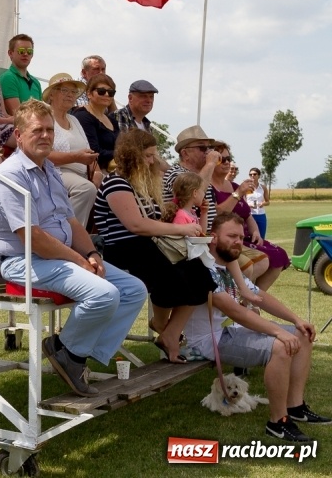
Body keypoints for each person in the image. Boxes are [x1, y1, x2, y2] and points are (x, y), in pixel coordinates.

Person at [0, 99, 147, 396]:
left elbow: (71, 222)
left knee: (133, 289)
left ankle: (73, 352)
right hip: (23, 261)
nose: (46, 135)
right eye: (38, 130)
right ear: (19, 135)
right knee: (104, 293)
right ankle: (70, 354)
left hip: (57, 257)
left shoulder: (48, 169)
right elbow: (33, 238)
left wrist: (92, 254)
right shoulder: (11, 175)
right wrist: (79, 260)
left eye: (49, 130)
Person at [183, 212, 330, 443]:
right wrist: (277, 331)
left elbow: (258, 296)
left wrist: (295, 320)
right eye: (231, 236)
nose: (238, 242)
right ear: (213, 238)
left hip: (224, 333)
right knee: (280, 347)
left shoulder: (227, 269)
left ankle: (296, 407)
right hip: (204, 342)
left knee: (302, 334)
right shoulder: (203, 269)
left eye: (241, 237)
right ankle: (278, 423)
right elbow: (236, 312)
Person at [94, 130, 215, 363]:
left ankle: (168, 333)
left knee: (201, 275)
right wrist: (182, 229)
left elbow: (154, 224)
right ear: (133, 156)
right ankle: (162, 325)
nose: (152, 162)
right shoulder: (115, 183)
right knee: (172, 274)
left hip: (145, 247)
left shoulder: (141, 185)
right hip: (123, 251)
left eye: (153, 156)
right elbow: (136, 225)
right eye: (147, 156)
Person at [163, 126, 269, 282]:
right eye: (202, 148)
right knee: (246, 266)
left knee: (264, 260)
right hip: (189, 247)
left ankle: (240, 301)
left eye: (209, 148)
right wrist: (211, 164)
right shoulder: (177, 174)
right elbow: (196, 192)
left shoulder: (202, 174)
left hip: (208, 240)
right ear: (185, 153)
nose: (208, 152)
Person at [161, 171, 261, 306]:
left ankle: (238, 294)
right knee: (225, 260)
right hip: (190, 259)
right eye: (203, 191)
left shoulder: (190, 212)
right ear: (195, 193)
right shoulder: (181, 215)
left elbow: (201, 232)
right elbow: (183, 241)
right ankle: (237, 295)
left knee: (228, 259)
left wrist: (204, 213)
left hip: (197, 254)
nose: (204, 195)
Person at [210, 142, 288, 291]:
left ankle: (255, 299)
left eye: (229, 158)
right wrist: (238, 193)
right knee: (259, 262)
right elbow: (217, 213)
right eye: (222, 159)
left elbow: (247, 214)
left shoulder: (232, 186)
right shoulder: (210, 187)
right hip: (227, 238)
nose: (227, 162)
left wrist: (256, 231)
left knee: (279, 255)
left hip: (245, 236)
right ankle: (242, 300)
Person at [41, 72, 100, 227]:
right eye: (64, 91)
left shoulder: (74, 119)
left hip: (82, 172)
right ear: (51, 95)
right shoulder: (45, 118)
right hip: (54, 171)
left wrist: (98, 173)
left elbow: (88, 150)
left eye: (73, 92)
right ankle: (67, 234)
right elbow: (43, 155)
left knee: (112, 187)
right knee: (85, 189)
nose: (70, 95)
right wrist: (75, 157)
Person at [111, 79, 169, 172]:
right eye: (143, 96)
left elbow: (154, 156)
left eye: (151, 97)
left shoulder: (147, 125)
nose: (149, 100)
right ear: (130, 98)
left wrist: (172, 172)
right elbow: (126, 152)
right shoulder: (120, 116)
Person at [71, 74, 120, 172]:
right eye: (101, 91)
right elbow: (94, 151)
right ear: (89, 94)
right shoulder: (83, 116)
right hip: (94, 170)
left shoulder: (112, 121)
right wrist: (123, 154)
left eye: (111, 92)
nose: (106, 95)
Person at [0, 34, 42, 115]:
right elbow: (17, 114)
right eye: (21, 51)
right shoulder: (8, 78)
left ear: (32, 55)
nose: (25, 54)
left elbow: (41, 111)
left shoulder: (36, 82)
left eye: (29, 51)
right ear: (10, 53)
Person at [247, 167, 270, 238]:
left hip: (261, 214)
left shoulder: (263, 188)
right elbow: (242, 201)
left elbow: (268, 202)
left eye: (254, 174)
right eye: (250, 174)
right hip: (250, 215)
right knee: (250, 237)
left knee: (262, 236)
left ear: (259, 176)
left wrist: (263, 204)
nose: (252, 176)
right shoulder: (247, 187)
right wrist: (249, 205)